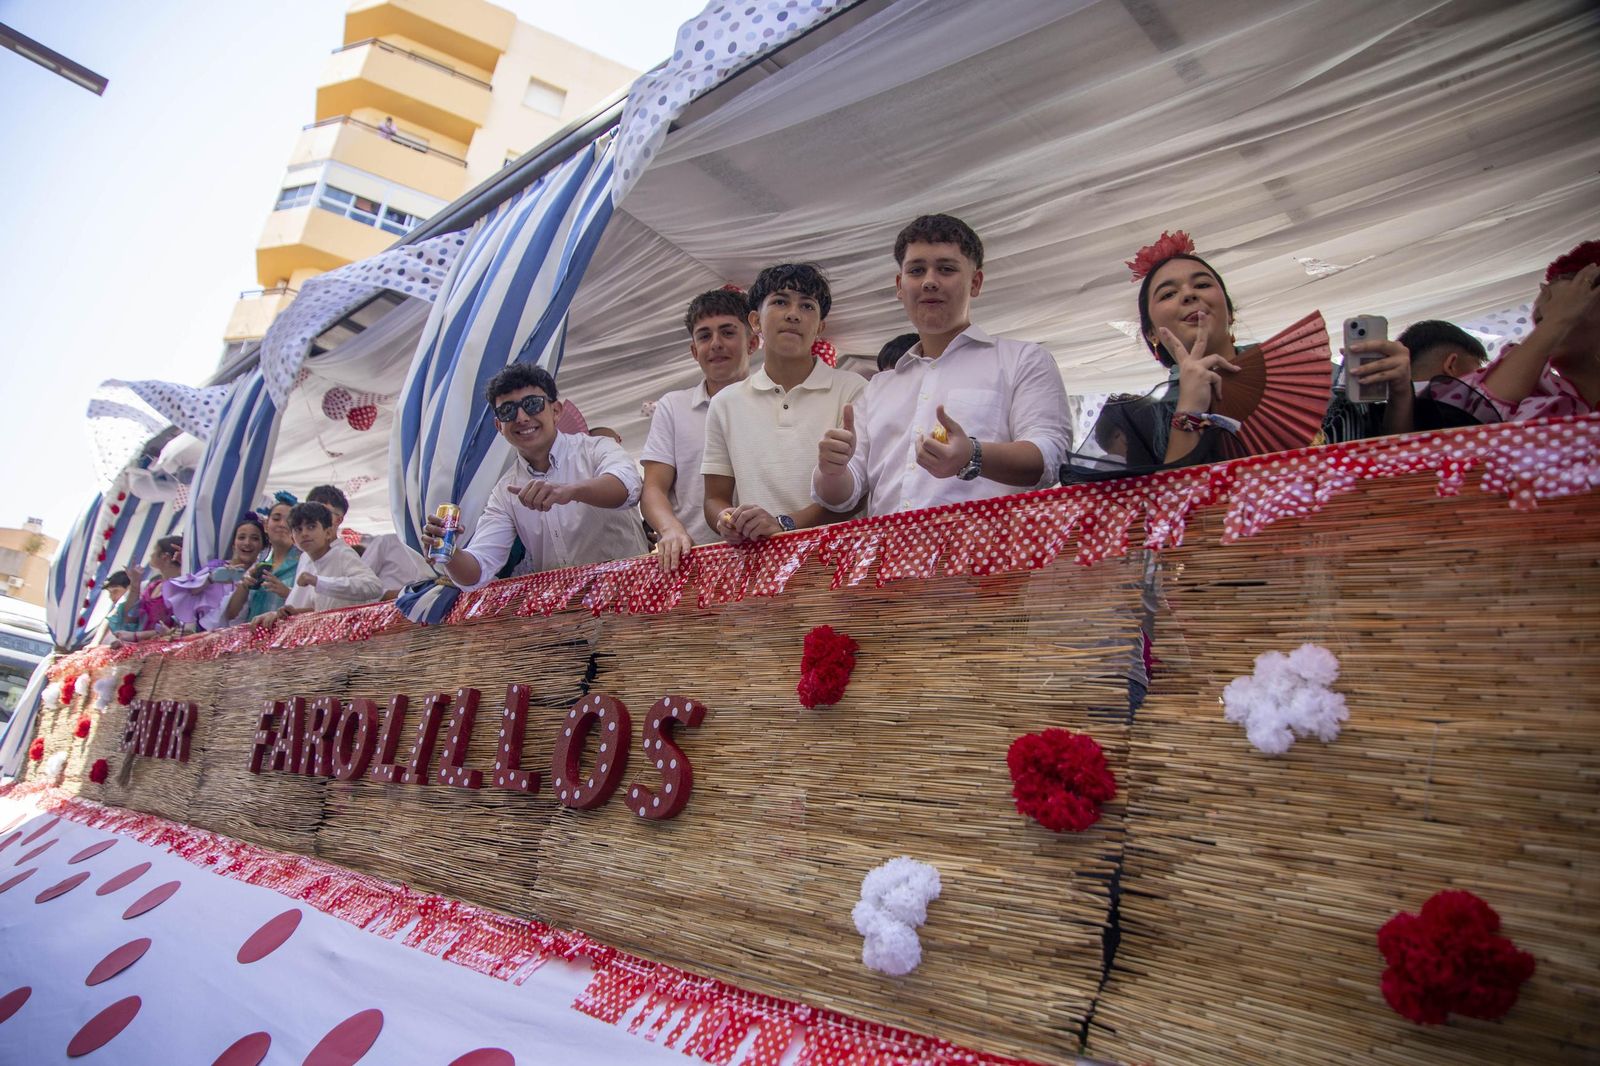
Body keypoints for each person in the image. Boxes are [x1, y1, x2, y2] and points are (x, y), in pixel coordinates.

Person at [813, 215, 1071, 516]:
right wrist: (832, 470)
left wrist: (973, 455)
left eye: (946, 269)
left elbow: (1052, 456)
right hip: (890, 547)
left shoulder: (1023, 361)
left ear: (975, 283)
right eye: (916, 270)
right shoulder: (879, 388)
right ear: (899, 285)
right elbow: (843, 497)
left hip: (986, 546)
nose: (929, 281)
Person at [422, 365, 647, 589]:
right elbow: (479, 569)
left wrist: (570, 491)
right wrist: (449, 553)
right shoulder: (505, 491)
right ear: (499, 425)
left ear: (556, 411)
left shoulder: (597, 448)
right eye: (508, 411)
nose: (521, 418)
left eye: (532, 405)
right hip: (567, 607)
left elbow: (627, 487)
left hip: (633, 595)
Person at [703, 264, 866, 543]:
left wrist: (784, 525)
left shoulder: (853, 389)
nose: (793, 314)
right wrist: (727, 520)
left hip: (839, 559)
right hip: (760, 560)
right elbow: (714, 498)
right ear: (755, 321)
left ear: (820, 327)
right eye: (780, 302)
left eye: (807, 306)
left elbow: (858, 492)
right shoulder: (724, 404)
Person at [641, 289, 758, 572]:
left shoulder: (777, 401)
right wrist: (670, 530)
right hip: (695, 564)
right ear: (694, 351)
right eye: (705, 336)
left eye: (727, 332)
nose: (716, 344)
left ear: (752, 342)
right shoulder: (673, 407)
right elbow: (653, 488)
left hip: (768, 555)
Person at [1461, 240, 1600, 420]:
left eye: (1572, 307)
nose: (1547, 330)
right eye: (1542, 322)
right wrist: (1557, 321)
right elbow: (1479, 413)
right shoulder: (1538, 400)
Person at [302, 483, 430, 598]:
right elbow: (366, 586)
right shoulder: (387, 541)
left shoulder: (435, 545)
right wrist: (398, 595)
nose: (314, 519)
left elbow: (366, 586)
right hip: (383, 611)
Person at [260, 503, 383, 623]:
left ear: (328, 533)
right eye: (298, 529)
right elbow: (318, 607)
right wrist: (290, 613)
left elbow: (374, 586)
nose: (304, 534)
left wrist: (318, 581)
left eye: (311, 527)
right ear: (293, 538)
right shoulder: (305, 558)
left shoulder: (341, 553)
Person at [165, 515, 268, 631]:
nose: (247, 543)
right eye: (241, 537)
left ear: (263, 546)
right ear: (233, 544)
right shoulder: (216, 567)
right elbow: (187, 592)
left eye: (255, 538)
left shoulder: (262, 575)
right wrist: (211, 578)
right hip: (206, 634)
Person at [221, 492, 300, 625]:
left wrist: (287, 593)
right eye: (276, 519)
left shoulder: (303, 564)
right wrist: (244, 587)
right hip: (255, 635)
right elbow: (231, 614)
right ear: (266, 526)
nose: (282, 524)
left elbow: (315, 606)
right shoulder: (259, 567)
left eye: (289, 520)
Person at [114, 535, 183, 639]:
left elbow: (178, 630)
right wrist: (135, 585)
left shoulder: (181, 588)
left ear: (165, 557)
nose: (151, 555)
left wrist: (136, 636)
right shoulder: (153, 586)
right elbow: (129, 619)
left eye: (155, 550)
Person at [1398, 320, 1488, 382]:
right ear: (1451, 366)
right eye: (1478, 371)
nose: (1480, 382)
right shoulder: (1468, 404)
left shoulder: (1394, 401)